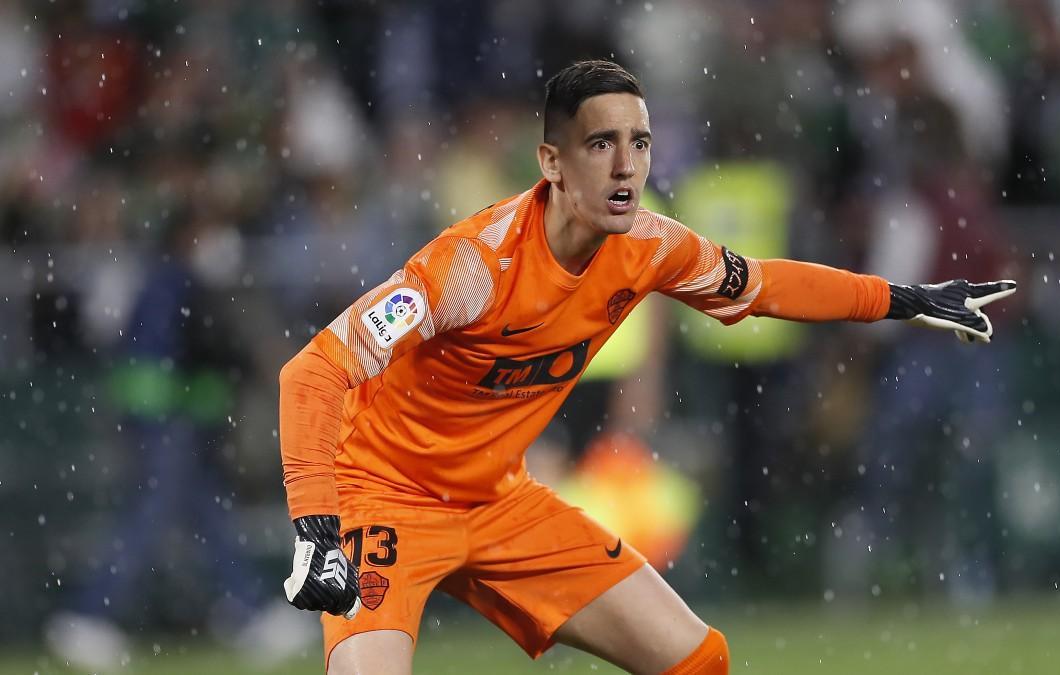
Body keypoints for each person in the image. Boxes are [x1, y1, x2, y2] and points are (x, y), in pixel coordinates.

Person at [277, 59, 1016, 675]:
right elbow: (311, 373)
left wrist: (903, 297)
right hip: (384, 496)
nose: (627, 164)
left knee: (696, 659)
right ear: (552, 163)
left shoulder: (652, 244)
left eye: (641, 141)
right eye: (601, 144)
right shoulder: (470, 267)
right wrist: (316, 528)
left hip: (499, 501)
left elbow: (761, 285)